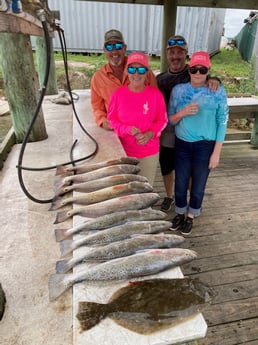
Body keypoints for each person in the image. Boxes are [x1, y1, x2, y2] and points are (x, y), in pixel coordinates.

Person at [157, 35, 220, 212]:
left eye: (180, 52)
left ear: (186, 54)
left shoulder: (194, 71)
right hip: (169, 129)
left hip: (190, 130)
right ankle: (169, 196)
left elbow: (207, 77)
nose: (175, 56)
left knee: (191, 168)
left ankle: (191, 201)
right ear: (167, 55)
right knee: (167, 165)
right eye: (172, 53)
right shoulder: (160, 79)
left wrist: (215, 79)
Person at [168, 51, 229, 235]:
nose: (198, 73)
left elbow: (223, 121)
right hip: (182, 143)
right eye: (194, 69)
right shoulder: (178, 91)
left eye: (202, 70)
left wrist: (216, 152)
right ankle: (179, 212)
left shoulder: (217, 90)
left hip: (206, 145)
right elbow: (170, 120)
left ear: (208, 71)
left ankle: (191, 215)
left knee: (199, 185)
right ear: (189, 69)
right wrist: (183, 112)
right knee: (180, 182)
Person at [107, 52, 167, 186]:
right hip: (122, 152)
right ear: (126, 72)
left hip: (148, 153)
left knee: (145, 189)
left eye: (141, 69)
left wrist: (150, 133)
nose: (136, 74)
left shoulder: (156, 95)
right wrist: (126, 129)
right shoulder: (118, 94)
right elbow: (111, 121)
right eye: (131, 69)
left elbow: (162, 121)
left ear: (147, 73)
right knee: (125, 191)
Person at [91, 29, 157, 130]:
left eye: (118, 46)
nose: (114, 51)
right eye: (109, 47)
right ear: (104, 50)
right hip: (115, 132)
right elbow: (97, 107)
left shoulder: (143, 70)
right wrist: (103, 121)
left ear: (125, 48)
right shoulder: (98, 77)